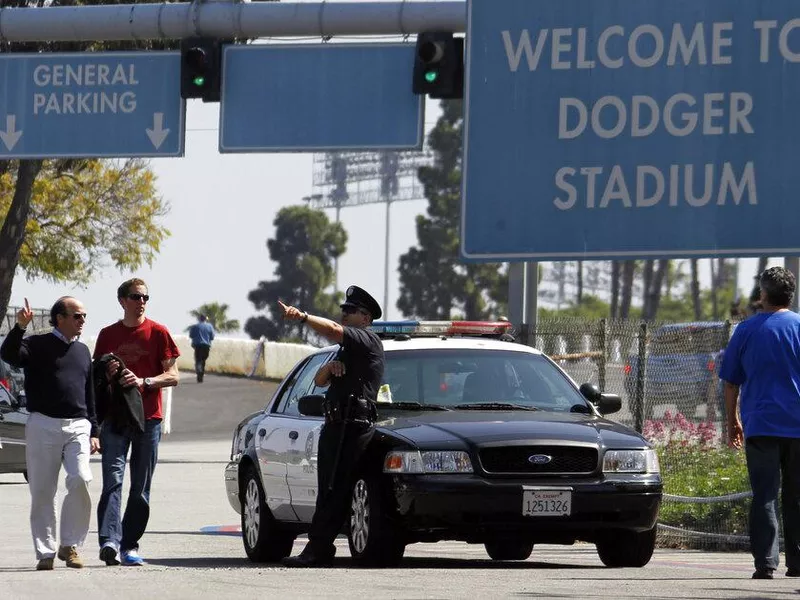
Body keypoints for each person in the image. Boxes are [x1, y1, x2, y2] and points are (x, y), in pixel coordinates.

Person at [280, 285, 384, 568]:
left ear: (365, 318)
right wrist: (330, 367)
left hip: (354, 426)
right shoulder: (347, 350)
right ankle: (320, 546)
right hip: (336, 425)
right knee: (328, 488)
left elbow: (334, 331)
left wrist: (302, 317)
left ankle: (320, 547)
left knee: (336, 487)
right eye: (344, 310)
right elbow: (320, 380)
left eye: (350, 311)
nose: (344, 315)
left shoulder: (367, 340)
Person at [0, 297, 99, 571]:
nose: (82, 321)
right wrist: (20, 327)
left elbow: (88, 391)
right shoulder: (36, 344)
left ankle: (70, 545)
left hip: (78, 425)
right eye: (77, 316)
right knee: (43, 490)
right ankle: (45, 551)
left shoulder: (82, 351)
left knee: (80, 478)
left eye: (84, 316)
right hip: (43, 423)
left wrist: (95, 428)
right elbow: (9, 355)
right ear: (60, 318)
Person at [719, 266, 800, 580]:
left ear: (763, 294)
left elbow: (730, 383)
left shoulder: (747, 330)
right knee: (796, 495)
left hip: (762, 425)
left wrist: (733, 421)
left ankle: (765, 563)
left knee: (765, 495)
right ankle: (797, 561)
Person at [93, 278, 180, 567]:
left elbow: (174, 375)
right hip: (116, 420)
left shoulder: (158, 332)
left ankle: (129, 545)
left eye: (145, 297)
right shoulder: (107, 335)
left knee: (140, 487)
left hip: (149, 421)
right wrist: (108, 375)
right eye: (135, 296)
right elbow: (96, 377)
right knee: (112, 481)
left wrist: (145, 381)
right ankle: (109, 541)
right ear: (122, 300)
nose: (141, 301)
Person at [188, 314, 215, 383]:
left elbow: (191, 336)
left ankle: (199, 371)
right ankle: (201, 375)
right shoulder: (209, 326)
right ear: (206, 319)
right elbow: (212, 337)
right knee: (203, 360)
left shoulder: (195, 326)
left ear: (199, 319)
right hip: (206, 345)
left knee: (198, 360)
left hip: (198, 345)